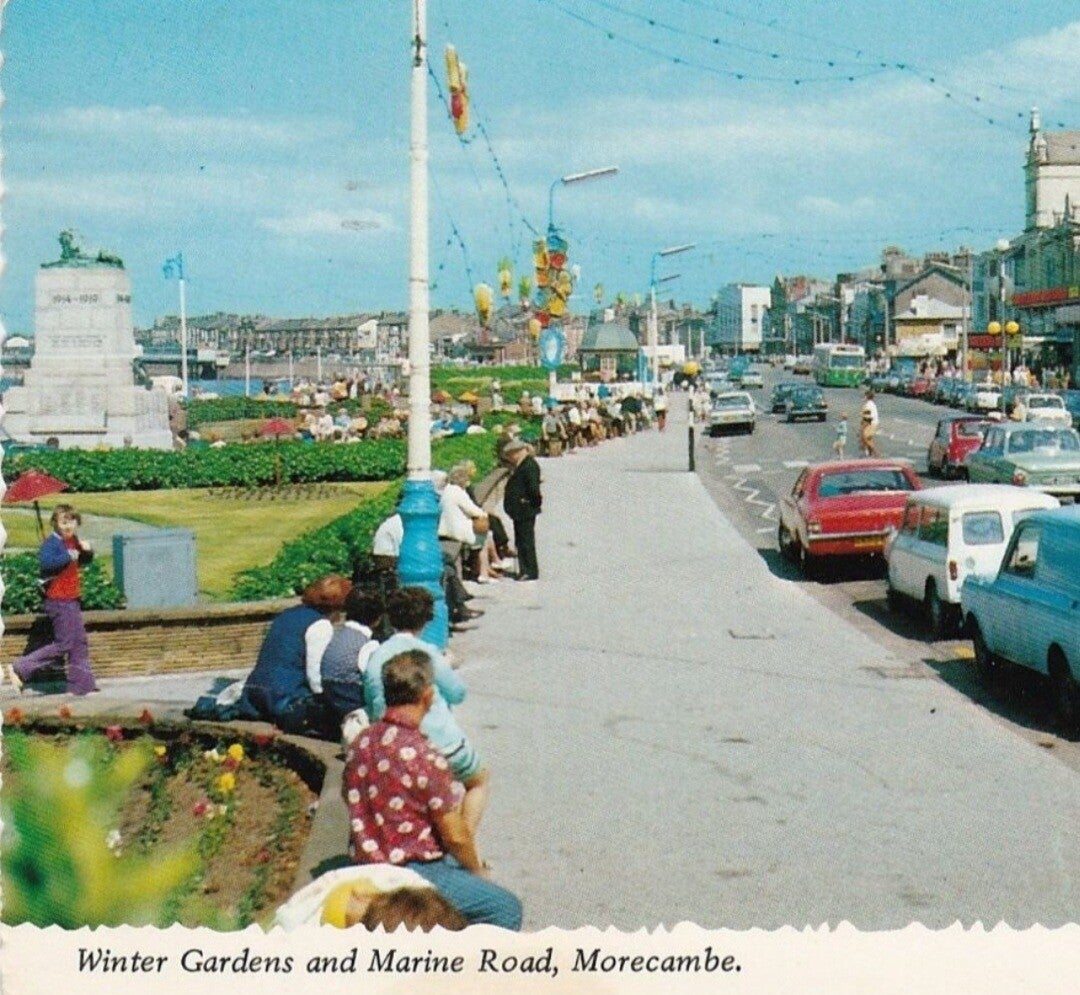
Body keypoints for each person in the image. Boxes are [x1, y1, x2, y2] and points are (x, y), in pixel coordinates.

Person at [344, 648, 522, 929]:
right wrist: (477, 871)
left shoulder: (361, 743)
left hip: (366, 863)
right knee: (505, 908)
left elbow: (348, 796)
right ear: (427, 695)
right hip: (414, 870)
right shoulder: (424, 756)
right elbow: (455, 836)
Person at [364, 588, 490, 832]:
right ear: (426, 620)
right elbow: (457, 693)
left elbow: (373, 707)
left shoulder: (376, 657)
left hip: (395, 748)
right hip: (444, 745)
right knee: (478, 781)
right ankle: (464, 837)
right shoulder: (428, 653)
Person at [236, 574, 351, 737]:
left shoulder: (286, 615)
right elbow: (316, 678)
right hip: (284, 697)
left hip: (254, 694)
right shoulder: (320, 625)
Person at [7, 504, 98, 696]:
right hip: (58, 600)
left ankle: (82, 684)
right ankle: (20, 667)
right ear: (55, 523)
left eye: (71, 521)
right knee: (65, 643)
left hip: (71, 598)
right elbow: (46, 563)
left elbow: (82, 561)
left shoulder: (73, 541)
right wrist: (67, 556)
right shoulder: (52, 543)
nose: (68, 526)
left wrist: (87, 551)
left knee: (79, 642)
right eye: (63, 522)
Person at [320, 586, 384, 730]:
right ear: (378, 619)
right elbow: (372, 680)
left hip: (331, 696)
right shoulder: (367, 644)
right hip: (351, 697)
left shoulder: (337, 635)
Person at [502, 438, 542, 581]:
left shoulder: (529, 466)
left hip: (525, 509)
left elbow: (533, 489)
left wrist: (529, 502)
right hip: (519, 510)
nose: (509, 458)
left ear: (517, 452)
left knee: (526, 541)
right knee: (521, 540)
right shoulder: (522, 465)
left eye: (510, 455)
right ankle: (524, 568)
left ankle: (529, 571)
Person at [859, 389, 880, 457]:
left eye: (864, 396)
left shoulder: (868, 405)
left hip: (871, 424)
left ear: (867, 396)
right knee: (869, 439)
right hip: (873, 423)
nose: (863, 397)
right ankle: (870, 454)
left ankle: (876, 454)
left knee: (865, 438)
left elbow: (867, 419)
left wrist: (862, 428)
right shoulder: (871, 404)